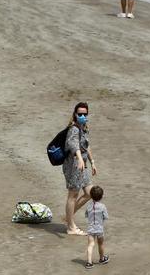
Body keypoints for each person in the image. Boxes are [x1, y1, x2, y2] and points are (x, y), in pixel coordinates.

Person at [63, 102, 97, 236]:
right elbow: (73, 145)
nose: (82, 116)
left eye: (85, 114)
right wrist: (80, 158)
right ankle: (71, 227)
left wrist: (92, 162)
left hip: (83, 165)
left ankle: (68, 217)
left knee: (89, 192)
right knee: (73, 195)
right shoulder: (74, 129)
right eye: (80, 114)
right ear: (75, 115)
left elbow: (86, 146)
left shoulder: (84, 128)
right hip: (74, 165)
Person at [84, 185, 109, 269]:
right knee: (101, 244)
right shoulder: (102, 206)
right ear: (101, 196)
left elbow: (86, 215)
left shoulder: (88, 206)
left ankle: (89, 262)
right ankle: (102, 259)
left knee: (90, 245)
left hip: (90, 229)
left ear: (91, 196)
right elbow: (106, 216)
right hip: (99, 229)